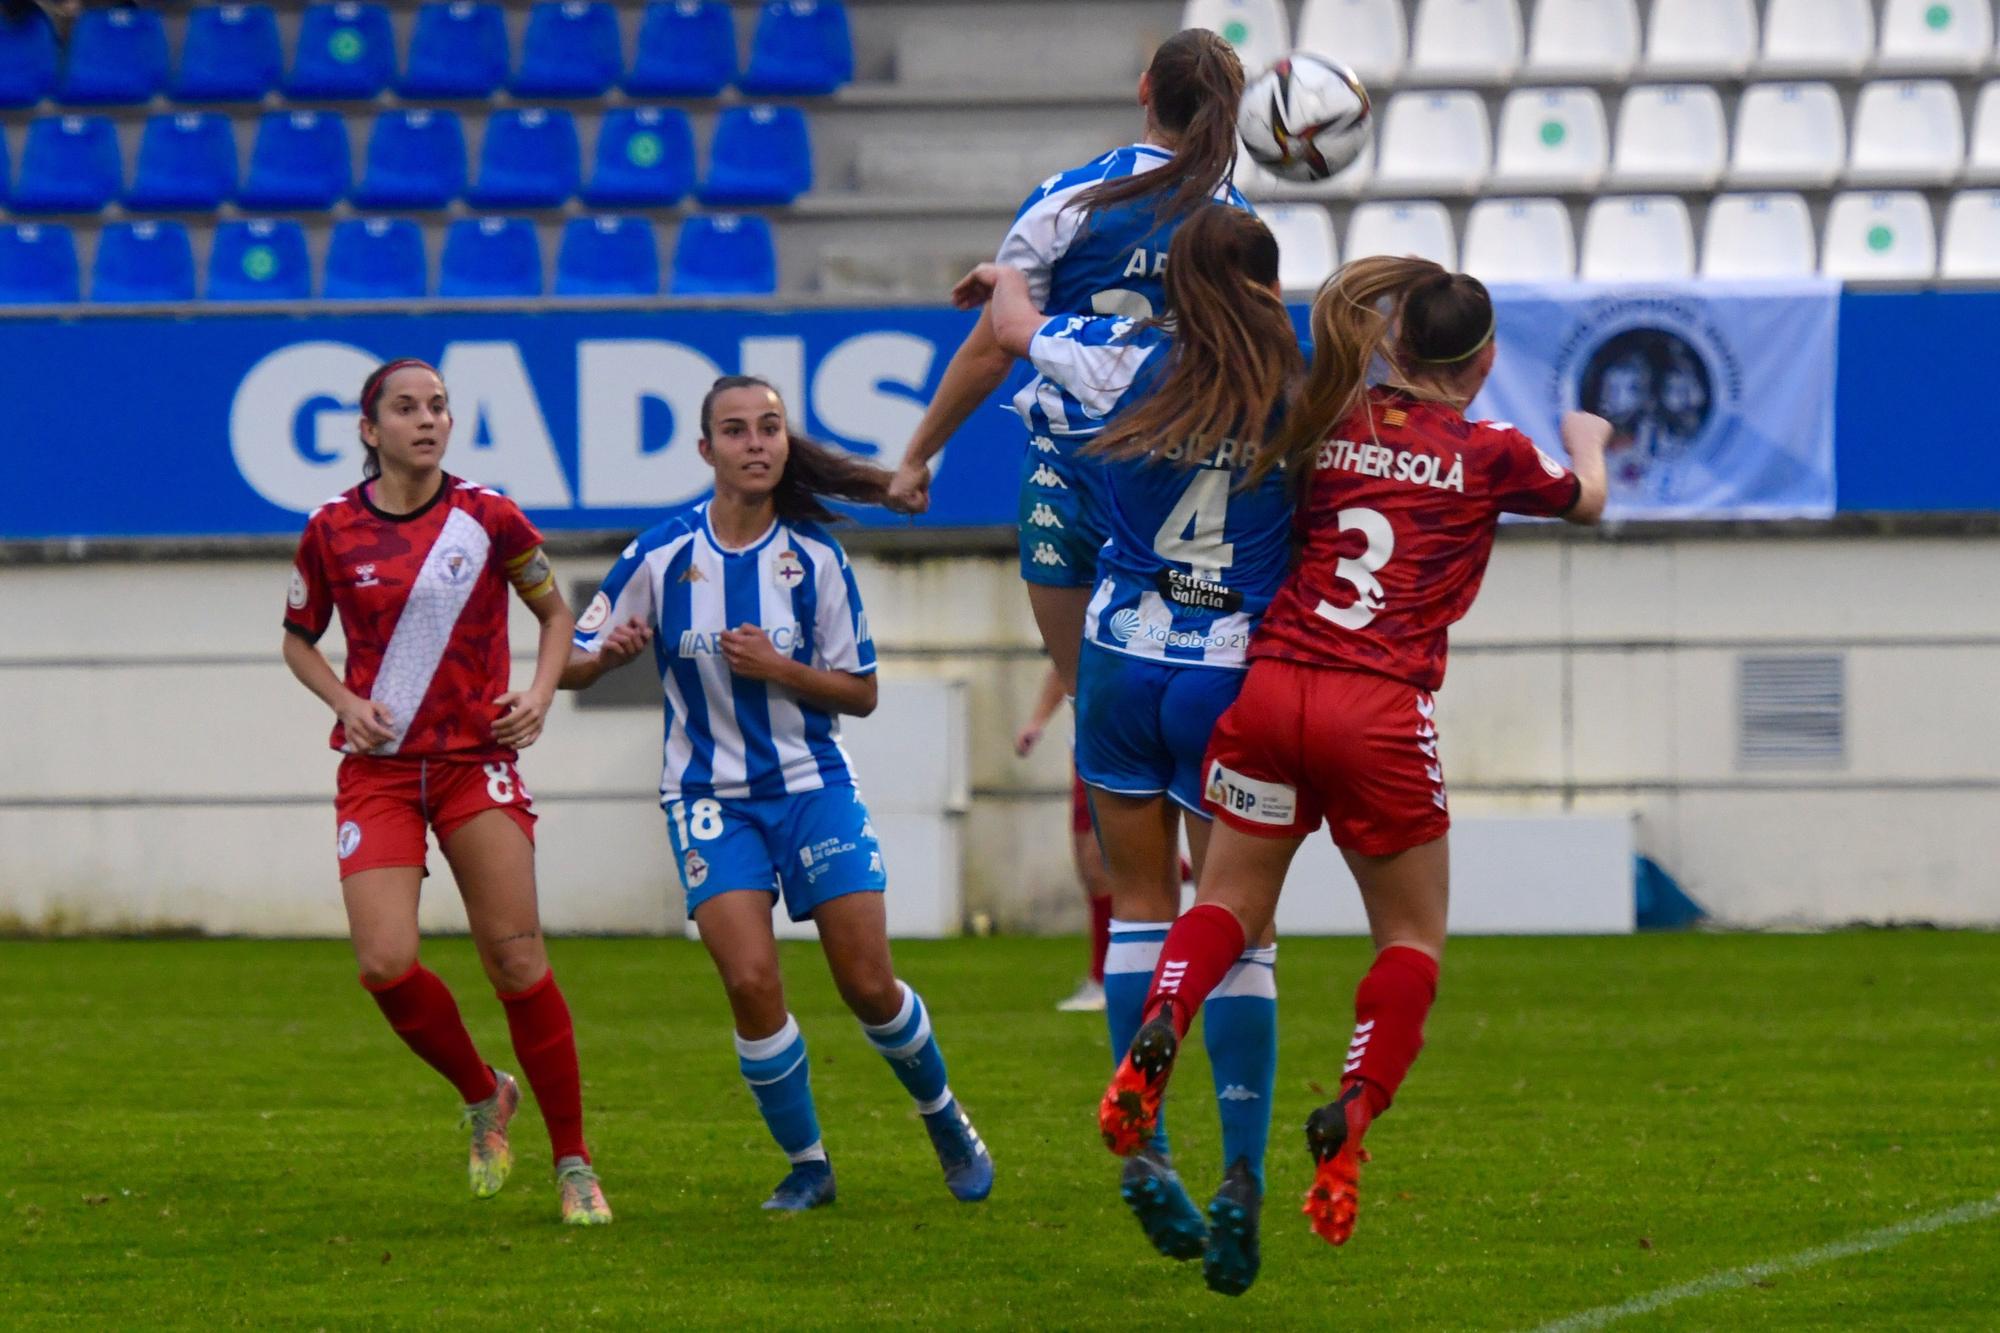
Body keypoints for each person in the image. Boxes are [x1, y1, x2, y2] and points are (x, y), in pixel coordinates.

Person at [1096, 257, 1611, 1254]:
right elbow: (1581, 499)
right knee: (1409, 938)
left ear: (1392, 343)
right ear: (1485, 358)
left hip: (1273, 686)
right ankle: (1350, 1119)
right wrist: (1587, 444)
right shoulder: (1492, 449)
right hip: (1376, 709)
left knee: (1224, 902)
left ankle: (1162, 1020)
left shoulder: (1327, 417)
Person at [959, 201, 1302, 1295]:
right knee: (1236, 921)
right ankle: (1242, 1173)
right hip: (1227, 671)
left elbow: (1014, 327)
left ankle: (1146, 1143)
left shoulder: (1118, 357)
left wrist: (1001, 276)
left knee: (1136, 906)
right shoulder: (1299, 386)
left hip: (1117, 657)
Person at [560, 376, 994, 1212]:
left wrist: (780, 669)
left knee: (868, 983)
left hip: (810, 786)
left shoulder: (816, 560)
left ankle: (944, 1117)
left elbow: (861, 691)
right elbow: (571, 656)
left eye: (769, 428)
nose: (756, 443)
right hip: (706, 796)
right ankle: (808, 1164)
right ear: (705, 450)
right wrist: (604, 658)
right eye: (736, 430)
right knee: (752, 980)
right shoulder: (659, 554)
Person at [281, 358, 611, 1226]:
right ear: (369, 428)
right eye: (406, 408)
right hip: (381, 772)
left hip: (475, 763)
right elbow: (297, 639)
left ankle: (574, 1164)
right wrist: (346, 701)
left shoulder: (488, 517)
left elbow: (553, 612)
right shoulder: (330, 530)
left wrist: (538, 696)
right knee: (384, 962)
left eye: (438, 407)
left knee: (516, 962)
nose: (426, 420)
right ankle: (483, 1091)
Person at [885, 26, 1252, 698]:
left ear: (1146, 92)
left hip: (1069, 474)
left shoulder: (1068, 199)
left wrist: (917, 455)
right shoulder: (1237, 224)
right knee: (1190, 702)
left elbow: (995, 344)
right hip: (1182, 485)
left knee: (1095, 705)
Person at [1013, 665, 1114, 1013]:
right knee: (1093, 863)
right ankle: (1180, 871)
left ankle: (1103, 980)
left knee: (1096, 861)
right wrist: (1037, 722)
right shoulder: (1083, 613)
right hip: (1089, 739)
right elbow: (1063, 661)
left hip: (1118, 733)